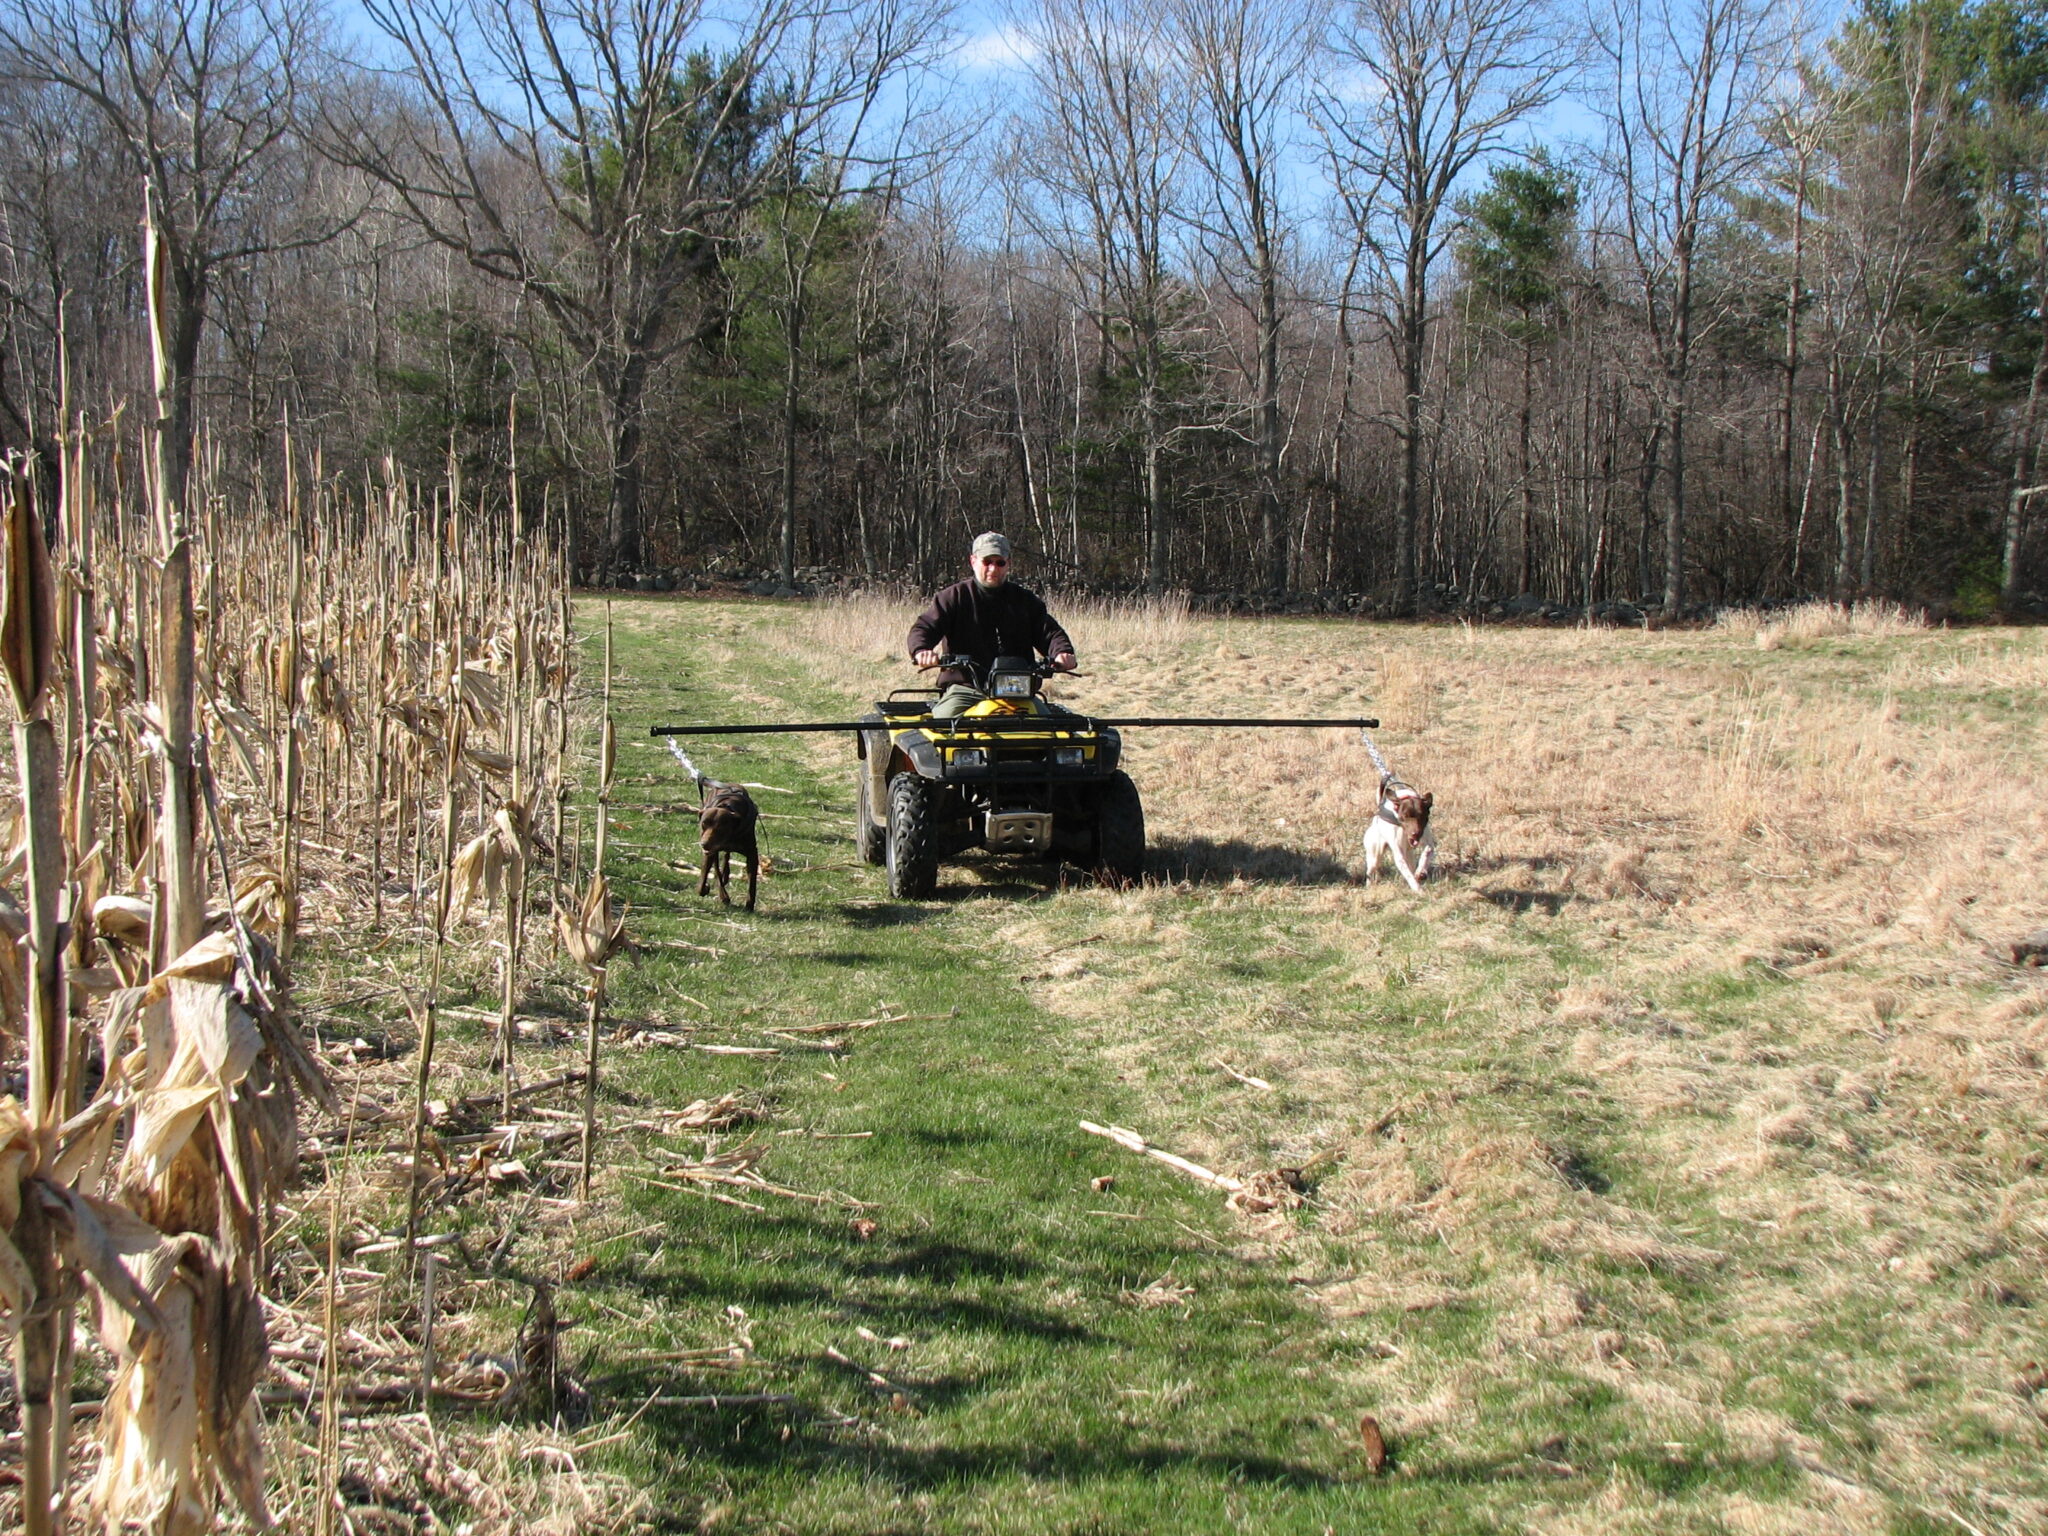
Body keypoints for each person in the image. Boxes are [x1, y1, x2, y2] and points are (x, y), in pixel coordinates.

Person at [909, 532, 1078, 717]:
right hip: (967, 689)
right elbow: (925, 627)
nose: (993, 569)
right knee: (942, 729)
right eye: (987, 562)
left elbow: (1049, 632)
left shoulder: (1025, 601)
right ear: (973, 561)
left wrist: (1062, 653)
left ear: (1008, 563)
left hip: (1017, 691)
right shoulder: (953, 597)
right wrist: (921, 650)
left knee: (1051, 732)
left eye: (1000, 562)